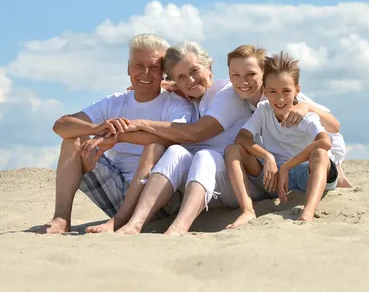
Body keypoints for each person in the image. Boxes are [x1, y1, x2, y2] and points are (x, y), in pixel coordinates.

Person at [32, 34, 196, 234]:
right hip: (116, 190)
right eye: (138, 66)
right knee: (72, 139)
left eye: (154, 67)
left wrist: (116, 136)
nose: (146, 73)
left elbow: (175, 139)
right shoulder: (115, 101)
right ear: (128, 68)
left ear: (164, 72)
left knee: (155, 147)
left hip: (160, 198)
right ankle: (61, 219)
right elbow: (61, 125)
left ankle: (124, 222)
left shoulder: (176, 105)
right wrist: (98, 129)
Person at [113, 41, 265, 236]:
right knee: (176, 151)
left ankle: (179, 228)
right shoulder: (190, 100)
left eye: (194, 71)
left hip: (245, 184)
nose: (190, 80)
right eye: (182, 77)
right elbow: (178, 132)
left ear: (208, 68)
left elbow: (195, 133)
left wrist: (142, 122)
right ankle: (135, 224)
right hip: (209, 187)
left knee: (204, 155)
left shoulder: (227, 93)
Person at [226, 51, 339, 228]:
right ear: (265, 91)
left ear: (297, 91)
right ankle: (248, 210)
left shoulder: (304, 114)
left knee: (320, 154)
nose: (279, 98)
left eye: (286, 91)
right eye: (272, 91)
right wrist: (267, 157)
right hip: (276, 178)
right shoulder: (264, 109)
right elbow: (242, 137)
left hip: (304, 173)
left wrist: (288, 165)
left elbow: (325, 141)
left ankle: (307, 213)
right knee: (232, 149)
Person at [225, 44, 352, 188]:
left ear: (263, 74)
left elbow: (334, 127)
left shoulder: (285, 95)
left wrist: (307, 107)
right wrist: (267, 156)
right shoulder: (244, 101)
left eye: (251, 74)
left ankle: (338, 173)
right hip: (286, 153)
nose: (244, 81)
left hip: (324, 148)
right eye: (236, 74)